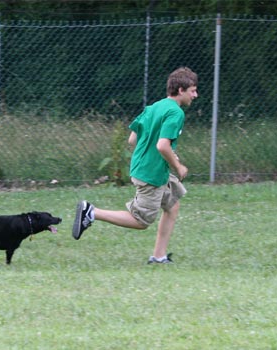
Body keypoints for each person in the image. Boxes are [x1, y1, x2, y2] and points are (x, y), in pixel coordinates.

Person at [72, 67, 198, 264]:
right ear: (181, 90)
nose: (195, 95)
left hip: (147, 167)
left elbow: (133, 139)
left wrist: (152, 154)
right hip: (152, 173)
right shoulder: (175, 113)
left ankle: (159, 256)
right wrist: (179, 166)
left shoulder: (154, 107)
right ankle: (92, 212)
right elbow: (163, 145)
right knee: (140, 221)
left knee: (172, 205)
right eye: (193, 90)